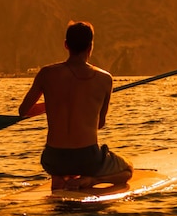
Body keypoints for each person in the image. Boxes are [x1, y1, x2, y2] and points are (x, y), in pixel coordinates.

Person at [18, 21, 133, 191]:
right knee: (128, 169)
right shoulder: (105, 79)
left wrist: (51, 104)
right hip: (87, 159)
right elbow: (100, 124)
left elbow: (24, 111)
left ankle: (60, 178)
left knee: (61, 165)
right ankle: (91, 180)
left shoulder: (46, 73)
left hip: (53, 159)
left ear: (66, 45)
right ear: (90, 47)